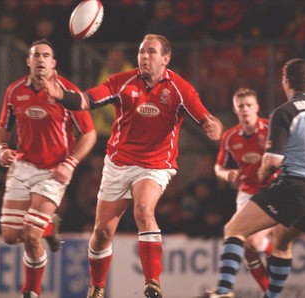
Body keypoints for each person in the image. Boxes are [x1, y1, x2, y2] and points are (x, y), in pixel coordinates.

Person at [42, 34, 223, 298]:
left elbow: (206, 117)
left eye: (151, 52)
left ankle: (152, 283)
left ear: (165, 59)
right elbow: (88, 100)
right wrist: (62, 95)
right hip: (119, 162)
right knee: (102, 232)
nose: (144, 57)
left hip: (155, 164)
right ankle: (97, 287)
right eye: (141, 52)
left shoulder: (180, 89)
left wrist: (213, 126)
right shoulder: (122, 81)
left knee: (142, 209)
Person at [205, 58, 305, 298]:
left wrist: (266, 173)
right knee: (282, 244)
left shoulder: (285, 112)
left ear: (285, 81)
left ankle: (223, 290)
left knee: (234, 229)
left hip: (293, 187)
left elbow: (272, 161)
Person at [0, 39, 96, 298]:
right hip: (22, 166)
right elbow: (2, 126)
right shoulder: (15, 90)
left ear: (53, 63)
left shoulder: (68, 92)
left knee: (30, 234)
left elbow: (89, 133)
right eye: (35, 55)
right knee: (9, 235)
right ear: (28, 61)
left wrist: (70, 163)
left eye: (46, 55)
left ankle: (31, 291)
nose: (40, 59)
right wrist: (2, 148)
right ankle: (50, 226)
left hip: (53, 171)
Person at [214, 88, 273, 292]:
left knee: (252, 241)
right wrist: (226, 174)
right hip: (247, 193)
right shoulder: (230, 137)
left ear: (257, 107)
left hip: (273, 191)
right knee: (247, 246)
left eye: (249, 105)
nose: (245, 109)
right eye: (241, 106)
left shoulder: (270, 129)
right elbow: (218, 167)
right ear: (235, 109)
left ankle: (224, 289)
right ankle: (269, 290)